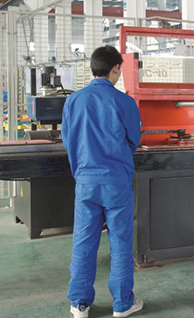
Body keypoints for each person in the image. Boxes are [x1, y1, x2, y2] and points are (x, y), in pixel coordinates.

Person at [62, 45, 143, 318]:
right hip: (116, 182)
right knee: (120, 243)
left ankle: (79, 304)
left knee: (83, 243)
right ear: (116, 68)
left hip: (86, 181)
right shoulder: (125, 102)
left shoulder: (74, 101)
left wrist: (82, 170)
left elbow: (69, 141)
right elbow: (134, 140)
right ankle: (122, 304)